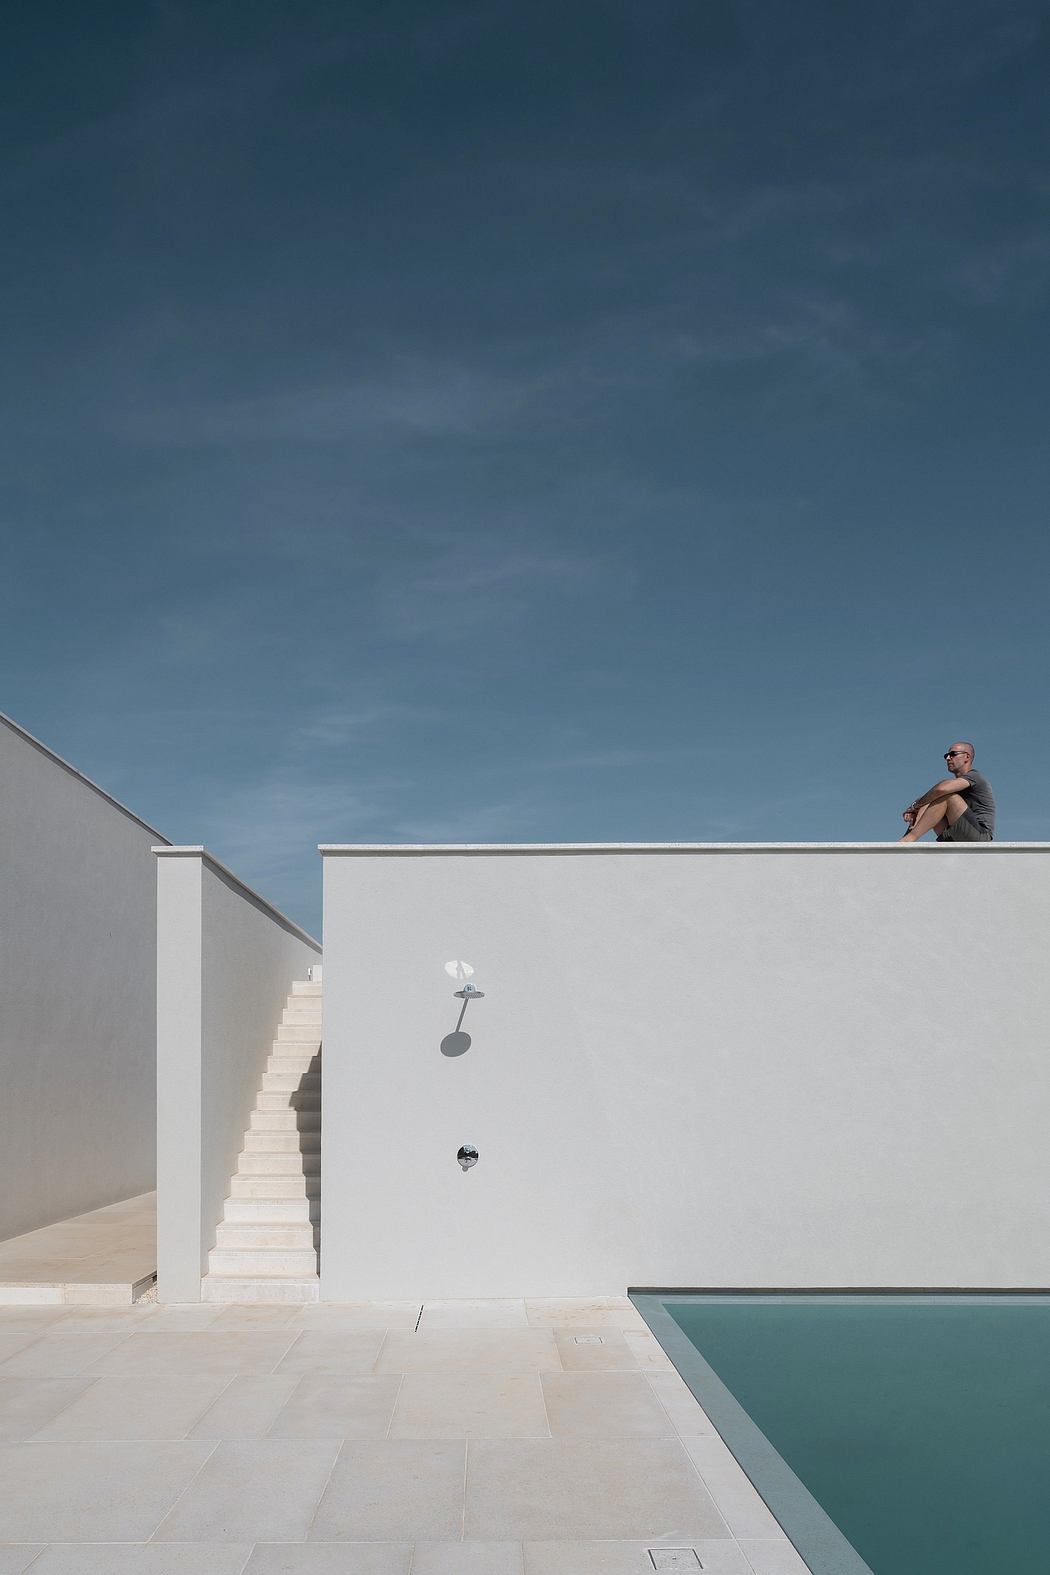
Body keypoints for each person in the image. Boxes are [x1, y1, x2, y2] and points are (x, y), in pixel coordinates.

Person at [900, 742, 996, 843]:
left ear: (967, 757)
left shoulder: (975, 776)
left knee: (945, 794)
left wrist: (914, 807)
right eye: (946, 755)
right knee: (929, 799)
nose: (948, 758)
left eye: (953, 754)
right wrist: (916, 809)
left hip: (980, 837)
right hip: (953, 834)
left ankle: (910, 838)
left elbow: (941, 789)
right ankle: (905, 840)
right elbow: (933, 795)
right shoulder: (956, 784)